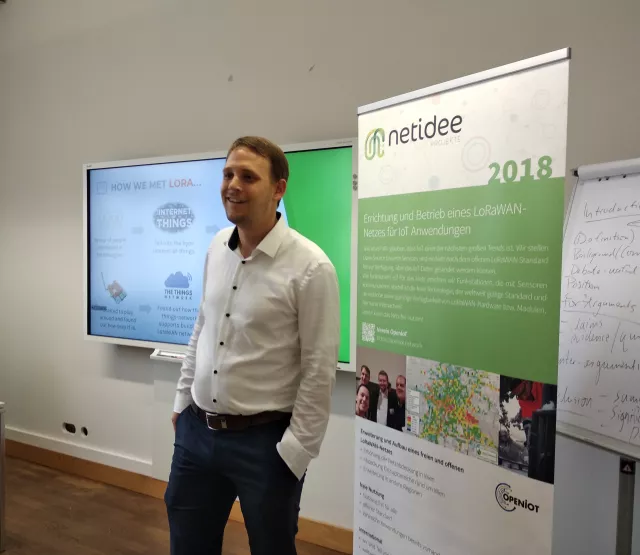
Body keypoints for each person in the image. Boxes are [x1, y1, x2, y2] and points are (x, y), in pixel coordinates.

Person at [164, 136, 341, 555]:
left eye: (248, 176)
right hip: (196, 432)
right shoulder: (216, 247)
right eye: (228, 174)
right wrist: (181, 402)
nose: (233, 185)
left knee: (271, 547)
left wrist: (296, 451)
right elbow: (203, 327)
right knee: (188, 545)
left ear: (279, 188)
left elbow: (319, 368)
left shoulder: (311, 267)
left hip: (265, 444)